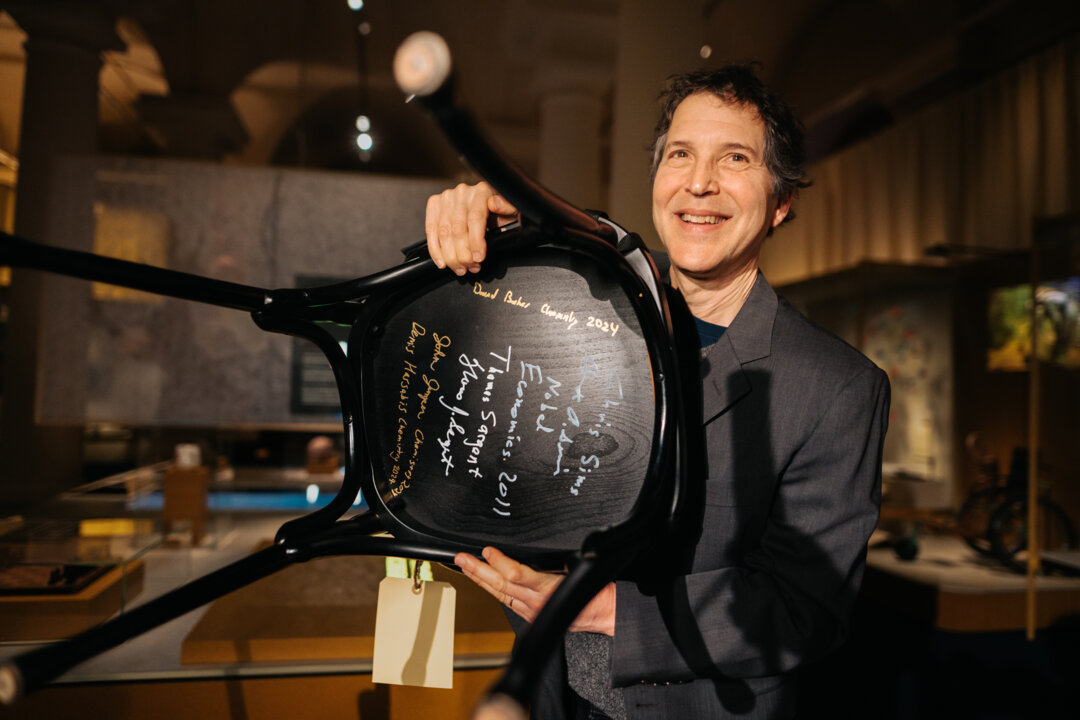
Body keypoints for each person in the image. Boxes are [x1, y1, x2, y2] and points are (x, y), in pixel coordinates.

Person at [425, 66, 890, 719]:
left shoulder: (838, 387)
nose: (700, 182)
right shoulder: (577, 320)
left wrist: (607, 610)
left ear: (781, 202)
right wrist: (472, 222)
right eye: (680, 155)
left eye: (735, 158)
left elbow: (804, 608)